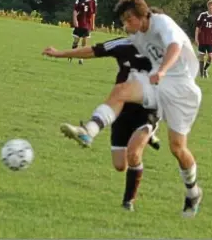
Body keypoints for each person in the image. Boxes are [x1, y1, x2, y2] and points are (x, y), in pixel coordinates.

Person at [49, 0, 203, 217]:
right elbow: (97, 50)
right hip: (157, 84)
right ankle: (88, 131)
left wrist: (163, 69)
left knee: (178, 149)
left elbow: (174, 46)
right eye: (123, 20)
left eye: (129, 19)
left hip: (182, 91)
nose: (126, 24)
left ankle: (193, 191)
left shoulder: (162, 23)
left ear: (143, 15)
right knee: (121, 90)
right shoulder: (135, 36)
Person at [42, 37, 161, 211]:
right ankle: (142, 136)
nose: (127, 25)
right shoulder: (123, 43)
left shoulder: (164, 48)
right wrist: (59, 53)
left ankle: (128, 202)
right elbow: (92, 50)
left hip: (148, 111)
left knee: (134, 153)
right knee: (120, 165)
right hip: (120, 107)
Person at [69, 0, 97, 65]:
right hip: (79, 23)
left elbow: (93, 14)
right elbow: (75, 10)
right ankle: (71, 54)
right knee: (76, 40)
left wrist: (93, 24)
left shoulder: (94, 1)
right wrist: (75, 20)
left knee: (85, 40)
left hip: (87, 24)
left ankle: (81, 58)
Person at [195, 0, 212, 78]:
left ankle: (205, 69)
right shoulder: (202, 15)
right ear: (207, 6)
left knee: (210, 56)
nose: (210, 7)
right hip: (202, 39)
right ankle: (201, 74)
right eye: (209, 6)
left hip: (211, 40)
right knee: (202, 56)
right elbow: (197, 28)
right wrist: (196, 38)